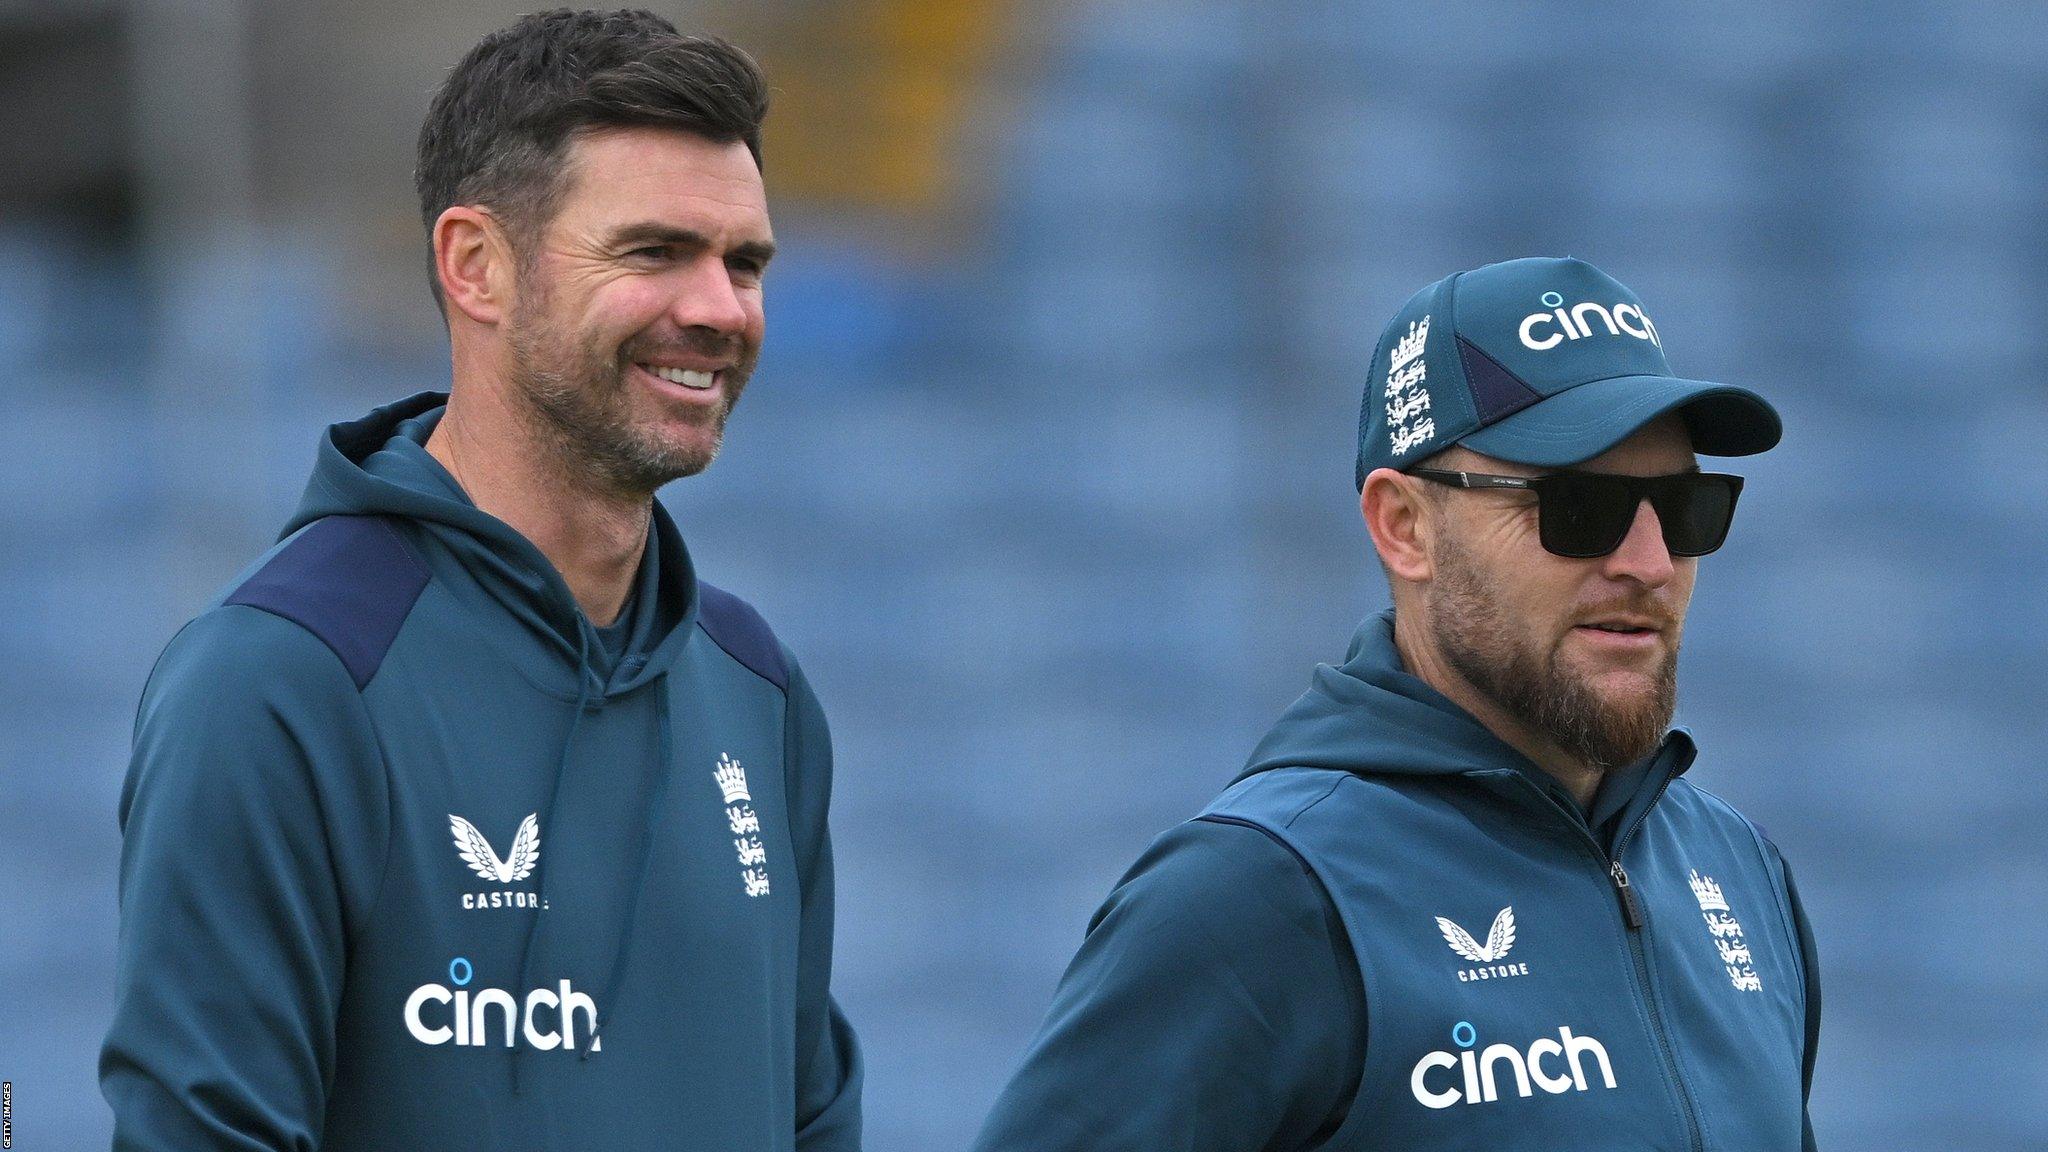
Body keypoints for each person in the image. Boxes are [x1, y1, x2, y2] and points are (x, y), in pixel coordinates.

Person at [100, 11, 860, 1150]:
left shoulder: (759, 693)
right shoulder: (281, 681)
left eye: (742, 262)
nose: (717, 309)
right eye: (653, 251)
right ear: (476, 266)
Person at [973, 257, 1820, 1151]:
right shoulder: (1255, 895)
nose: (1649, 563)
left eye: (1686, 508)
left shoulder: (1738, 871)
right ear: (1405, 527)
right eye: (1580, 507)